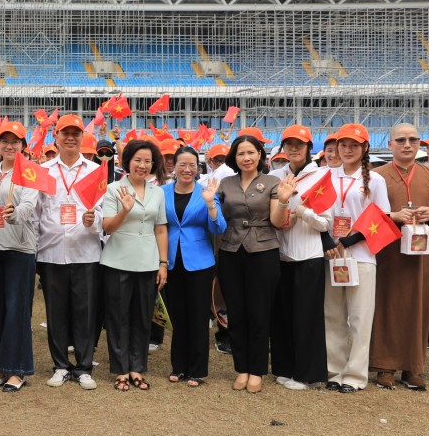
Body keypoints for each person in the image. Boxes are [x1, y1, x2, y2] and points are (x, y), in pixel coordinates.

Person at [369, 123, 429, 391]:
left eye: (413, 139)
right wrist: (393, 216)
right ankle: (385, 366)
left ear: (420, 144)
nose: (407, 144)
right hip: (388, 252)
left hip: (421, 253)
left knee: (419, 306)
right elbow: (367, 214)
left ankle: (413, 367)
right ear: (390, 144)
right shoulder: (376, 176)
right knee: (386, 306)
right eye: (401, 140)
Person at [216, 134, 291, 394]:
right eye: (240, 153)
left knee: (259, 312)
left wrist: (283, 200)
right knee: (235, 313)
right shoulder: (224, 183)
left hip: (263, 250)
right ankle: (242, 368)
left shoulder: (272, 182)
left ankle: (257, 369)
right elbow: (216, 217)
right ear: (234, 158)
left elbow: (278, 221)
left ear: (260, 154)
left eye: (251, 152)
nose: (246, 158)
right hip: (230, 250)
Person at [322, 123, 391, 393]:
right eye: (343, 145)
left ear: (364, 148)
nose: (347, 150)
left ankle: (354, 375)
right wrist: (327, 240)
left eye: (354, 145)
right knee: (333, 314)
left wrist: (351, 239)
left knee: (360, 317)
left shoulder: (375, 180)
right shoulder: (325, 175)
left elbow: (381, 215)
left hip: (361, 254)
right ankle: (334, 370)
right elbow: (316, 210)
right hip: (331, 254)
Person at [36, 114, 103, 390]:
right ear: (57, 137)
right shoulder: (44, 170)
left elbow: (102, 209)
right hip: (52, 252)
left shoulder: (95, 170)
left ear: (81, 137)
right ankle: (61, 365)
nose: (71, 138)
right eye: (66, 133)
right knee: (56, 312)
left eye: (76, 133)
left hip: (85, 251)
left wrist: (94, 221)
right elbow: (38, 211)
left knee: (85, 311)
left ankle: (84, 367)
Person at [100, 139, 169, 391]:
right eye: (138, 160)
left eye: (148, 161)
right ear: (127, 161)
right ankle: (119, 370)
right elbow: (107, 227)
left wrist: (163, 263)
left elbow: (160, 228)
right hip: (117, 261)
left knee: (142, 317)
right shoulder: (113, 189)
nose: (142, 165)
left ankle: (137, 368)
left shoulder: (158, 192)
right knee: (118, 317)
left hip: (148, 262)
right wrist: (124, 211)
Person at [269, 125, 331, 390]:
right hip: (280, 254)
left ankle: (309, 372)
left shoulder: (322, 176)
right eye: (289, 144)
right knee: (281, 316)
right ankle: (283, 369)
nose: (294, 149)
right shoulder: (274, 176)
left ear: (309, 148)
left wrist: (303, 212)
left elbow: (326, 224)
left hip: (309, 255)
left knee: (308, 316)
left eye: (300, 144)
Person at [0, 120, 39, 392]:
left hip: (18, 250)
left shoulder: (30, 173)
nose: (9, 145)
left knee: (17, 310)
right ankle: (1, 368)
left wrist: (15, 214)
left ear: (23, 146)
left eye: (15, 141)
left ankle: (18, 370)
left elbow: (28, 206)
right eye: (5, 141)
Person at [162, 145, 225, 388]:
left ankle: (197, 369)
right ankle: (178, 366)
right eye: (182, 165)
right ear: (174, 167)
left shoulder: (206, 192)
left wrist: (210, 204)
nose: (187, 169)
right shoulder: (163, 192)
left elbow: (219, 227)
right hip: (171, 260)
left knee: (198, 316)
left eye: (192, 165)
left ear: (198, 168)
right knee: (178, 316)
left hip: (199, 261)